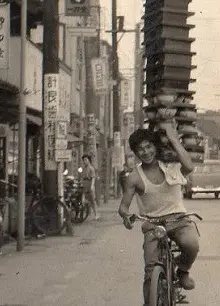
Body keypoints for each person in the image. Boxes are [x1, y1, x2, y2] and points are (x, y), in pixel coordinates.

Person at [119, 122, 199, 305]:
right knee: (150, 270)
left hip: (178, 220)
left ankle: (183, 270)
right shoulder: (134, 177)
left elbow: (189, 166)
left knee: (191, 244)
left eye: (148, 147)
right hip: (153, 225)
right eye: (140, 149)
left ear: (155, 146)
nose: (146, 152)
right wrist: (126, 216)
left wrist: (173, 138)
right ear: (135, 153)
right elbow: (123, 206)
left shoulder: (170, 166)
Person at [81, 155, 100, 220]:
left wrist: (92, 186)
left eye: (86, 160)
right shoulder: (83, 168)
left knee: (92, 200)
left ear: (89, 160)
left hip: (89, 183)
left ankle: (96, 214)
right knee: (83, 199)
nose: (85, 161)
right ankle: (87, 214)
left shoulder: (91, 168)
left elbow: (93, 178)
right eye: (84, 160)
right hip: (84, 184)